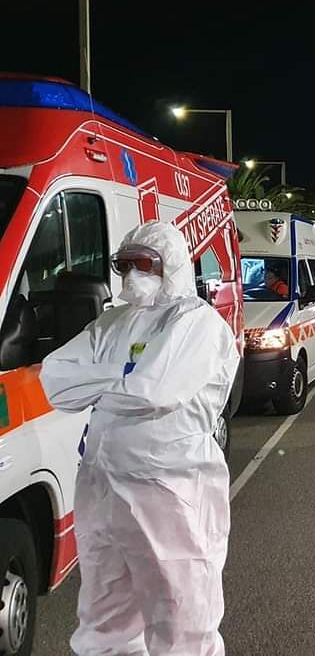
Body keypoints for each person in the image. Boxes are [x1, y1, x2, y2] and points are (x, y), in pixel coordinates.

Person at [39, 221, 240, 656]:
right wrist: (126, 374)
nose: (132, 274)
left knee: (182, 618)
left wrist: (99, 381)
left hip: (170, 490)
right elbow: (55, 379)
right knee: (105, 617)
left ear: (171, 265)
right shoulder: (113, 321)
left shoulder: (197, 322)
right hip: (102, 487)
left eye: (144, 264)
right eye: (124, 264)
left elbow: (156, 390)